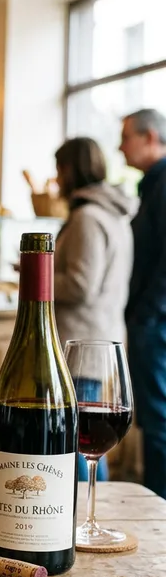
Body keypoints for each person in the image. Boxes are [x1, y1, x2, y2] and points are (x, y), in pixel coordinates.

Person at [52, 137, 134, 482]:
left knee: (81, 439)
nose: (56, 180)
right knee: (90, 438)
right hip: (102, 338)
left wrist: (36, 276)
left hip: (83, 345)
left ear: (70, 170)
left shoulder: (87, 217)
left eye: (58, 170)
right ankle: (89, 514)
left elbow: (81, 285)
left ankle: (84, 518)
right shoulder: (114, 214)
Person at [120, 108, 166, 496]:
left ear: (149, 137)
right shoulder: (152, 183)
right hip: (150, 320)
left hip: (156, 323)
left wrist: (146, 315)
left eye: (126, 138)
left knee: (159, 423)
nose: (120, 147)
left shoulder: (164, 182)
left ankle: (158, 514)